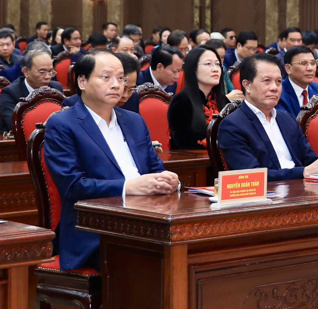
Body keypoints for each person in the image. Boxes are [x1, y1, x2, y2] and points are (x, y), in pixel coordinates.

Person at [45, 51, 179, 270]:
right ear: (82, 81)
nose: (116, 85)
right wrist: (128, 187)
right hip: (96, 231)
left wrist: (168, 180)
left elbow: (156, 169)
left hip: (148, 219)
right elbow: (73, 186)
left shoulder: (134, 121)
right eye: (106, 77)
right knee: (154, 257)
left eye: (121, 78)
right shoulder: (63, 124)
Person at [218, 54, 318, 181]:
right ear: (247, 85)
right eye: (266, 81)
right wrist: (303, 172)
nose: (274, 88)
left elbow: (308, 158)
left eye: (278, 81)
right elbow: (251, 175)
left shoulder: (286, 118)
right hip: (269, 195)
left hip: (301, 190)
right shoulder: (232, 125)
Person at [167, 47, 229, 150]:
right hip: (195, 162)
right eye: (208, 64)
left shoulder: (223, 101)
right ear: (193, 68)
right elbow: (184, 144)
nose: (215, 69)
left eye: (218, 64)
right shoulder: (181, 102)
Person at [0, 44, 64, 132]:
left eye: (50, 71)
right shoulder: (10, 93)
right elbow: (14, 126)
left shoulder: (56, 88)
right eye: (42, 71)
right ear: (26, 72)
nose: (47, 76)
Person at [64, 52, 141, 113]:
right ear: (82, 82)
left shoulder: (133, 100)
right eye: (124, 88)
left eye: (131, 89)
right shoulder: (72, 105)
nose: (125, 95)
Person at [278, 45, 318, 117]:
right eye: (303, 63)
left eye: (313, 63)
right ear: (288, 68)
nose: (310, 68)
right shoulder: (279, 93)